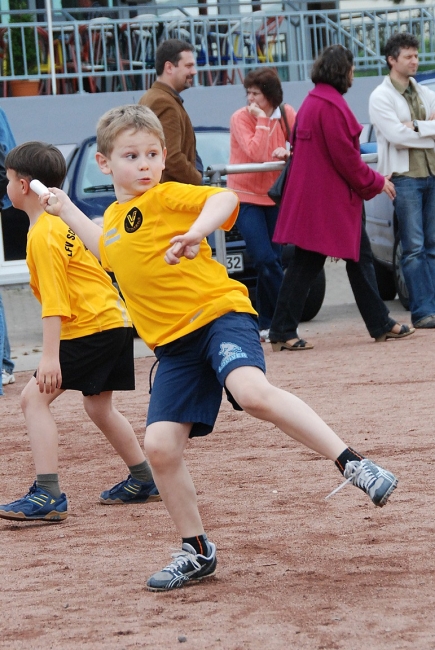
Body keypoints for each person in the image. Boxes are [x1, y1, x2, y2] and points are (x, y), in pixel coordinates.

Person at [41, 104, 398, 591]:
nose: (144, 164)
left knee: (251, 392)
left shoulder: (167, 196)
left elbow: (225, 201)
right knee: (160, 447)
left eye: (152, 154)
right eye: (131, 156)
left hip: (218, 318)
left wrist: (195, 232)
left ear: (164, 159)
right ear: (105, 164)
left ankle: (354, 463)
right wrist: (65, 209)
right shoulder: (118, 218)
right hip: (174, 349)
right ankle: (197, 550)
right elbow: (106, 248)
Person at [0, 141, 160, 523]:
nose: (6, 186)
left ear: (24, 185)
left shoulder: (43, 234)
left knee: (32, 400)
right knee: (98, 405)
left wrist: (49, 356)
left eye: (7, 179)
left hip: (92, 328)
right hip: (112, 323)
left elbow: (55, 302)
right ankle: (143, 478)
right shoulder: (59, 223)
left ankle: (48, 494)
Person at [268, 44, 415, 351]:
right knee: (317, 264)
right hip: (329, 205)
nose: (352, 74)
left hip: (321, 202)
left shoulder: (314, 101)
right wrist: (376, 181)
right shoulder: (331, 106)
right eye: (350, 69)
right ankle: (284, 330)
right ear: (341, 71)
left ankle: (379, 324)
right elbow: (347, 159)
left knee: (346, 261)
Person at [369, 32, 435, 329]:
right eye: (408, 57)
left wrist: (417, 127)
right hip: (405, 178)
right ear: (391, 60)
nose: (415, 61)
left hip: (431, 173)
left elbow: (407, 134)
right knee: (413, 247)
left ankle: (431, 306)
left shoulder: (424, 92)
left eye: (416, 56)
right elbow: (395, 135)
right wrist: (429, 131)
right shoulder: (380, 96)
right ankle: (422, 311)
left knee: (432, 245)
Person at [227, 68, 296, 341]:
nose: (250, 99)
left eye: (256, 93)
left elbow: (301, 142)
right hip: (245, 196)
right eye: (248, 93)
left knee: (273, 261)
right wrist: (264, 121)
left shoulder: (289, 113)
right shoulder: (241, 118)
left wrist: (288, 151)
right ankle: (287, 320)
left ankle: (268, 323)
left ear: (270, 95)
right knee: (263, 258)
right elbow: (255, 153)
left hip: (274, 195)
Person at [139, 39, 203, 185]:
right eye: (188, 66)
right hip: (172, 199)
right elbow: (171, 157)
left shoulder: (155, 97)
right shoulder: (164, 102)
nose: (194, 71)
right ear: (169, 67)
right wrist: (198, 181)